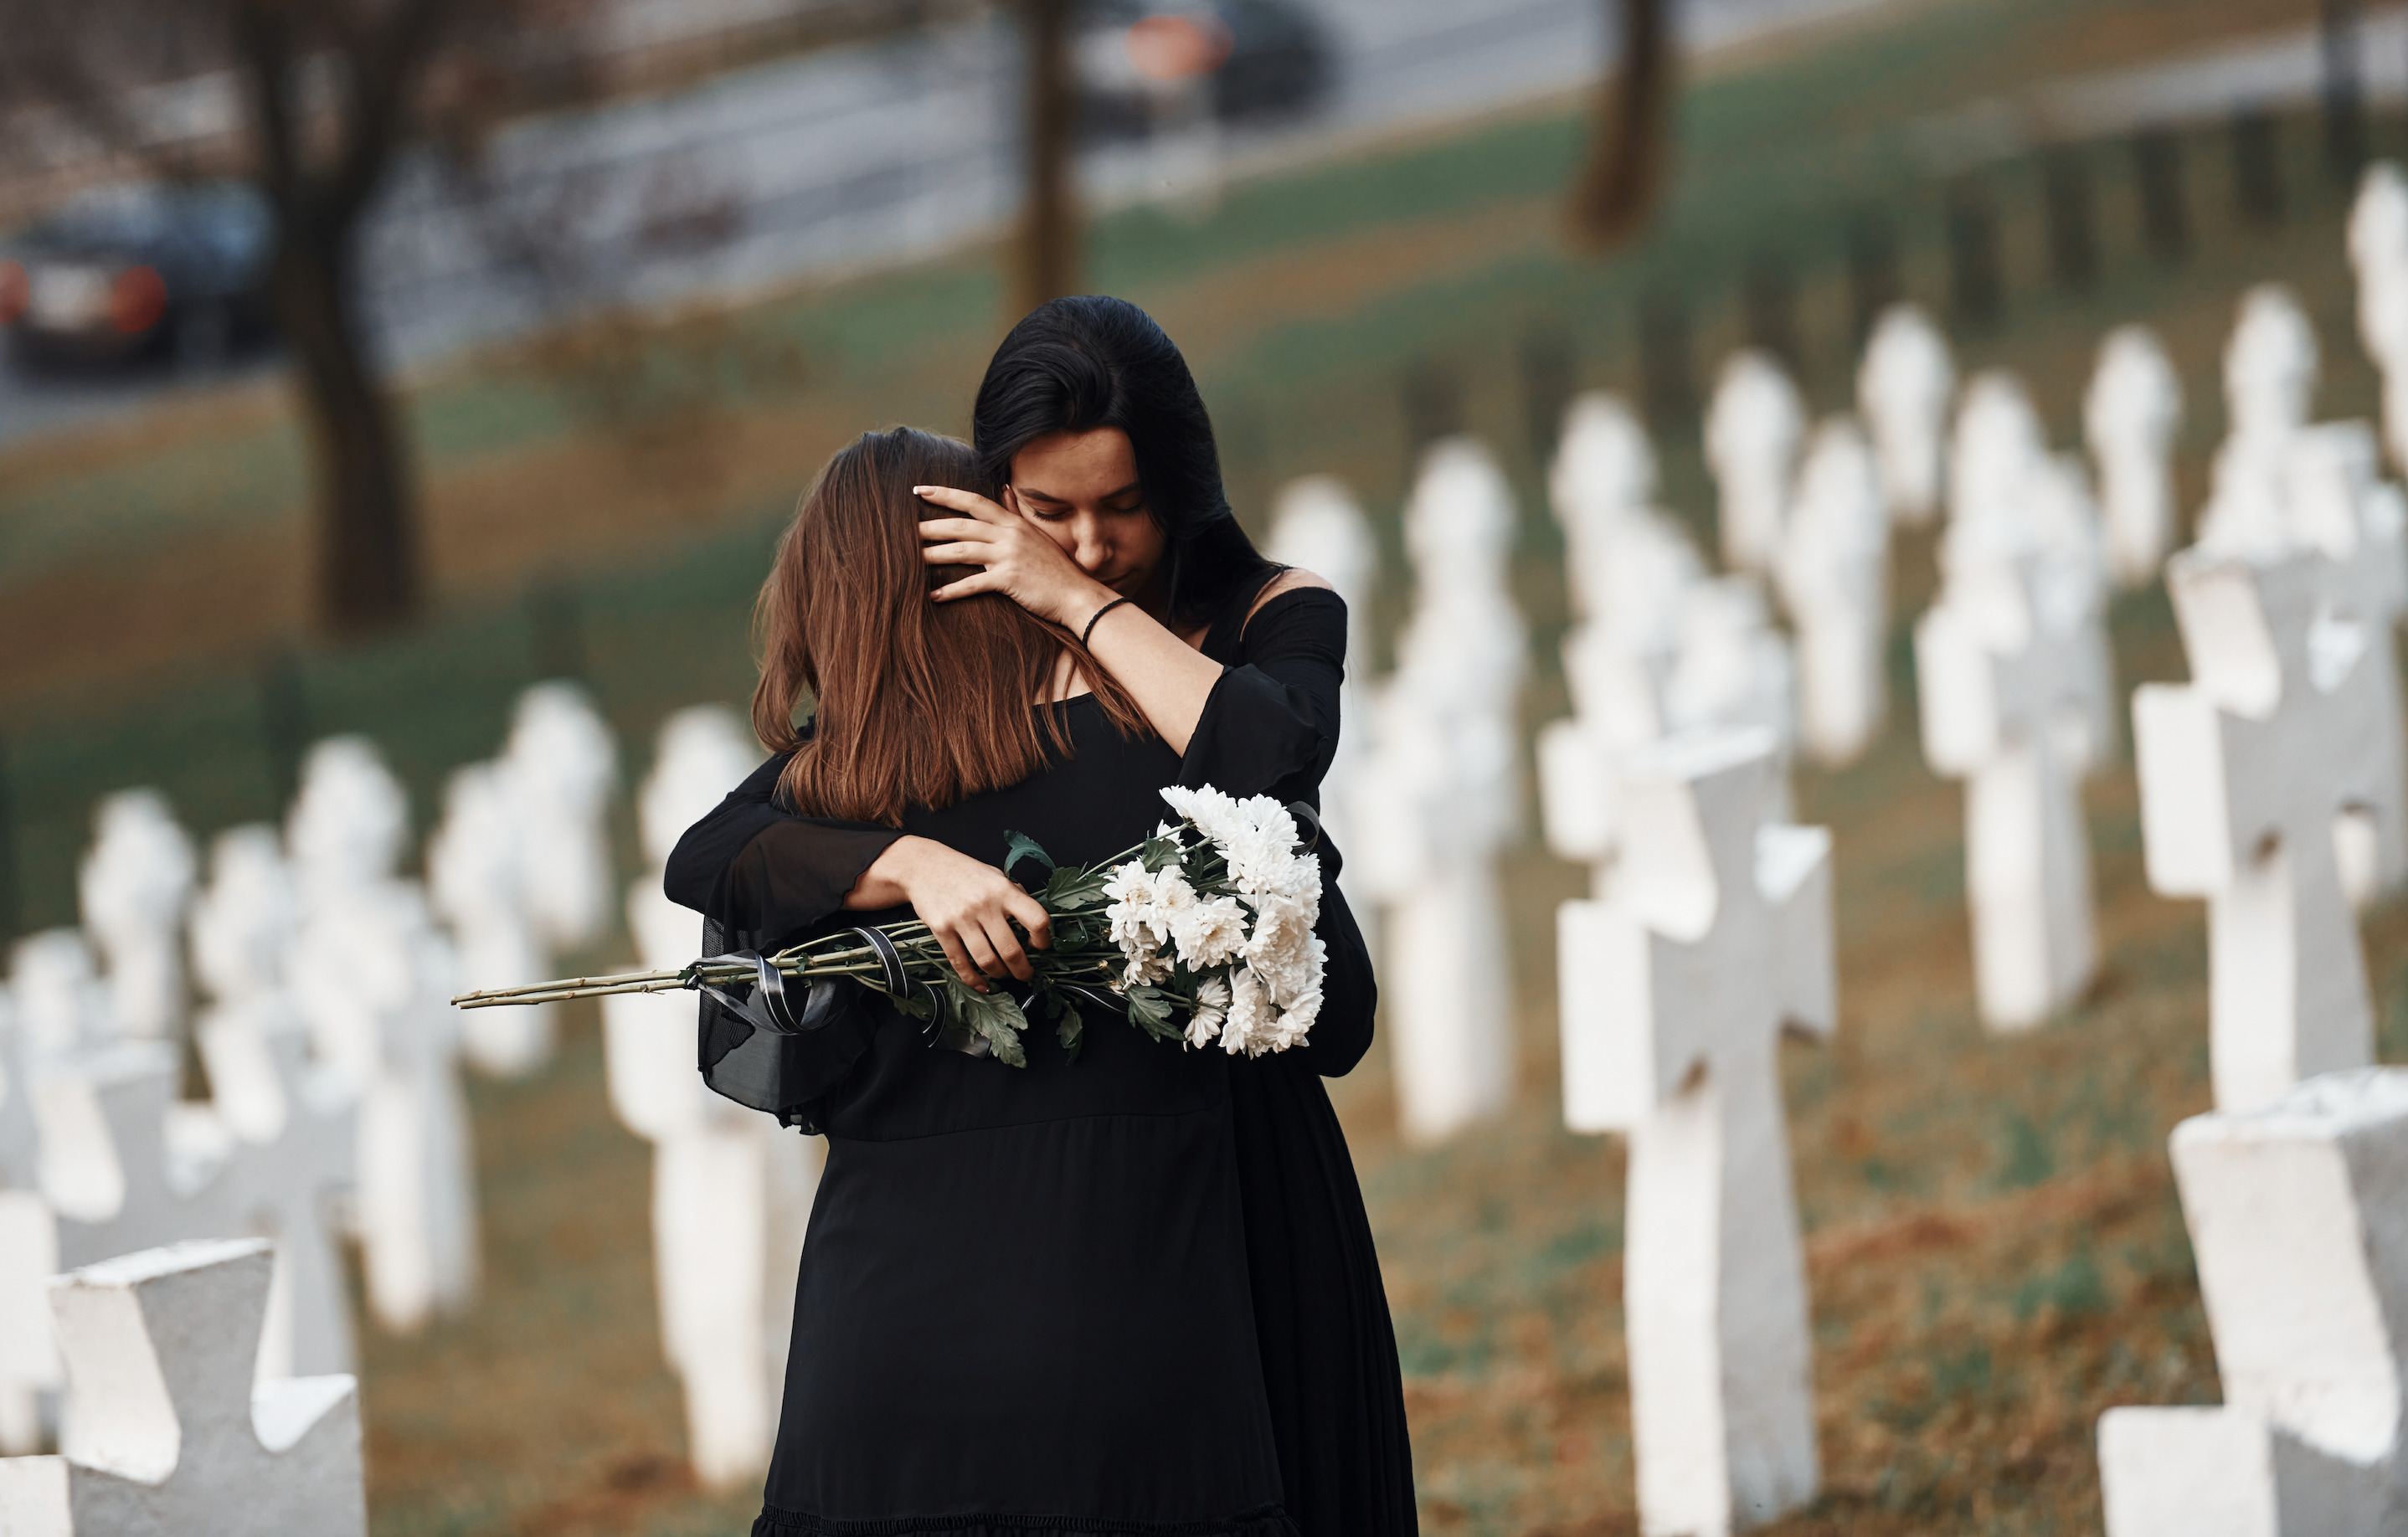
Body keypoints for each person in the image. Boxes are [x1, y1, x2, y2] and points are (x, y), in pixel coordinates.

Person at [669, 296, 1417, 1534]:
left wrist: (1068, 601)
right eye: (1045, 511)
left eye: (1120, 507)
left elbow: (1268, 755)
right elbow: (720, 846)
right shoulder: (966, 690)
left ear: (1178, 484)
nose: (1088, 541)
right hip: (1079, 1202)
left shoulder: (1269, 612)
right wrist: (910, 861)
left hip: (1238, 1159)